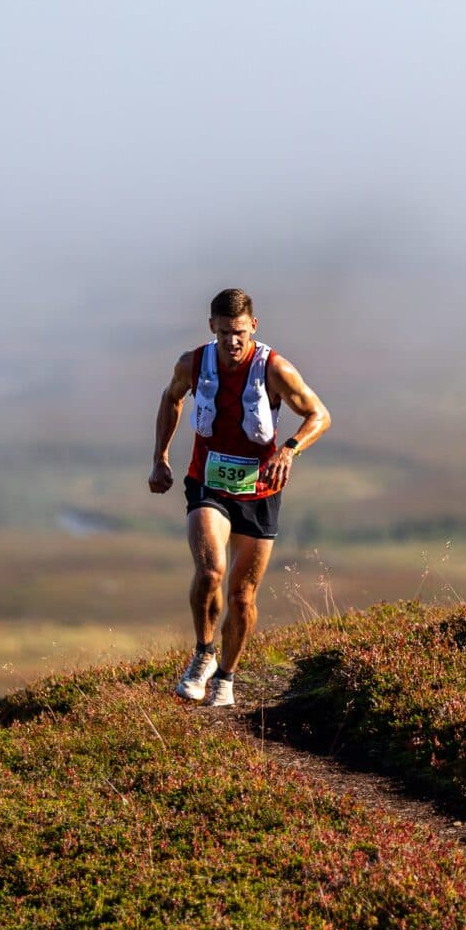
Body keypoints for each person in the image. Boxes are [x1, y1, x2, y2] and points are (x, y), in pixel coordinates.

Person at [148, 288, 330, 707]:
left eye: (241, 332)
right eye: (226, 331)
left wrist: (290, 449)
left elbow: (319, 414)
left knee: (242, 595)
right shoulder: (193, 363)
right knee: (211, 572)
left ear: (254, 327)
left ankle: (226, 678)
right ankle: (203, 654)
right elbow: (171, 398)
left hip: (260, 491)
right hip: (207, 483)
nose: (233, 340)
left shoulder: (275, 369)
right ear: (212, 326)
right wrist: (160, 458)